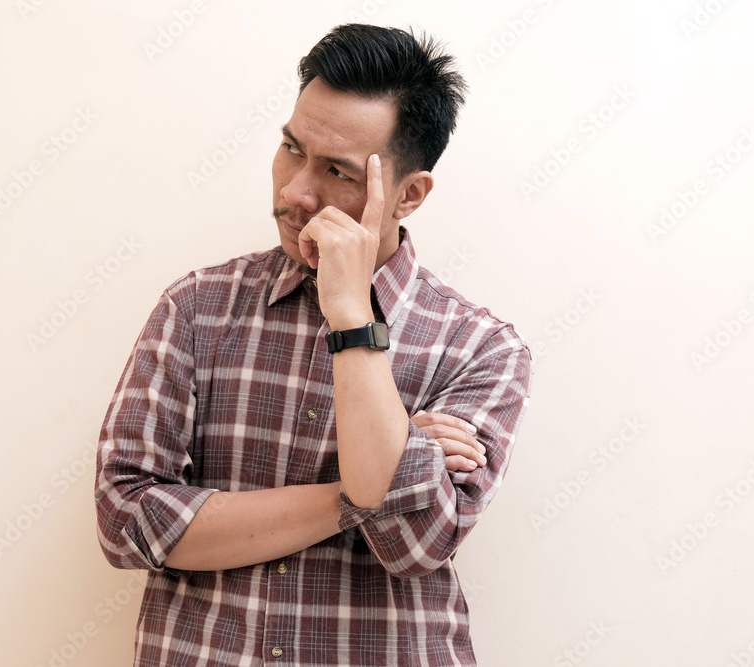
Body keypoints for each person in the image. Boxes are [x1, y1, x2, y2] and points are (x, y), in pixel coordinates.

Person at [95, 23, 533, 666]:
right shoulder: (196, 308)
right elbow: (126, 522)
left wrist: (353, 318)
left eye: (336, 171)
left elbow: (415, 544)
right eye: (291, 149)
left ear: (408, 195)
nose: (294, 192)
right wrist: (375, 476)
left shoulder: (481, 348)